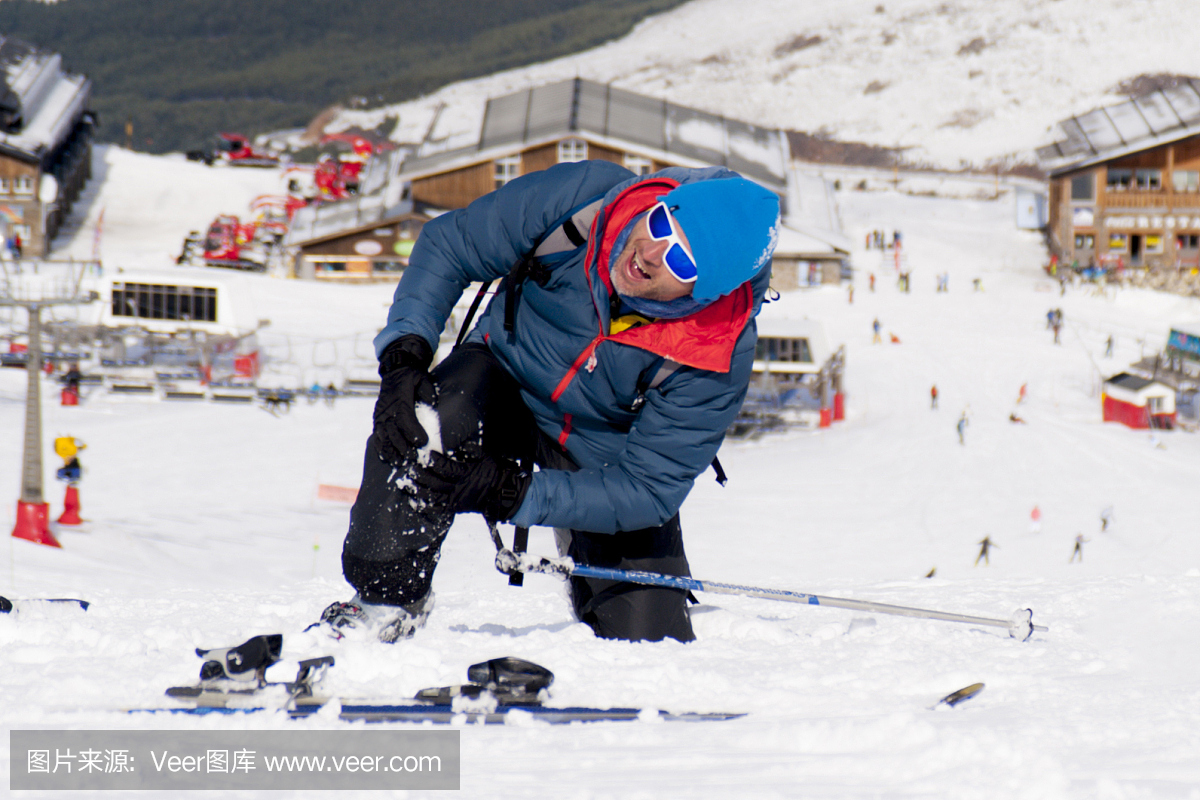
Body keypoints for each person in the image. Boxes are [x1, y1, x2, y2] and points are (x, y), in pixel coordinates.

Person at [316, 161, 780, 645]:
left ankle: (589, 562)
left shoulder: (717, 351)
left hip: (599, 450)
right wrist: (404, 355)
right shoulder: (587, 201)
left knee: (649, 642)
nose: (649, 253)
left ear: (706, 293)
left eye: (682, 262)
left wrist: (513, 494)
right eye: (661, 223)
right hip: (501, 374)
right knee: (427, 425)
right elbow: (450, 245)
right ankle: (385, 601)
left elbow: (648, 489)